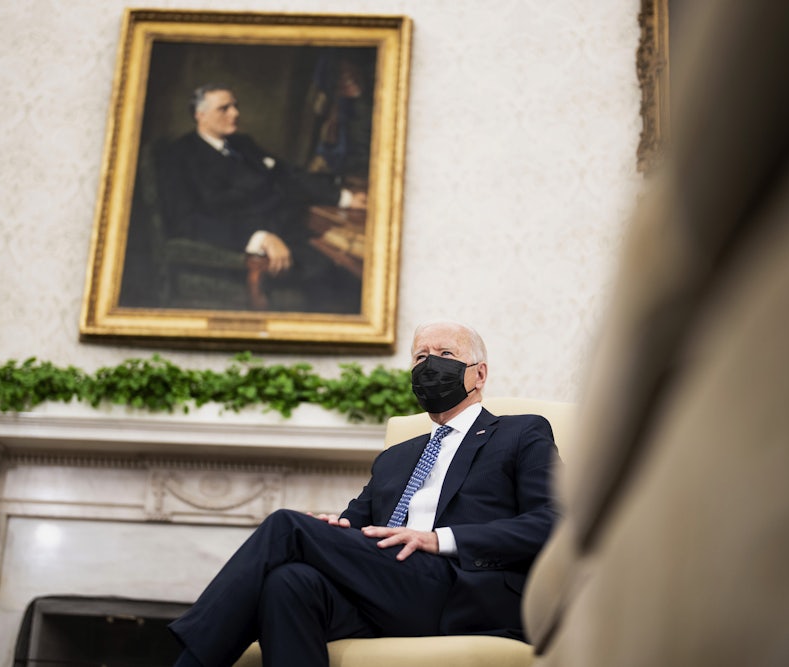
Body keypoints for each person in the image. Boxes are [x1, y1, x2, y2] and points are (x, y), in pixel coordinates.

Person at [169, 321, 562, 667]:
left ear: (479, 374)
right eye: (421, 356)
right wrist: (334, 527)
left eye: (445, 353)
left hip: (463, 589)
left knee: (286, 526)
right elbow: (355, 522)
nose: (431, 364)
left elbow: (551, 523)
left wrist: (437, 539)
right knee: (289, 582)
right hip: (387, 589)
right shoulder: (396, 457)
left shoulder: (520, 433)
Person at [156, 83, 366, 313]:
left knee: (349, 268)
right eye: (224, 109)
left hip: (289, 232)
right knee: (338, 280)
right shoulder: (179, 156)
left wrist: (343, 198)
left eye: (235, 106)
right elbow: (186, 221)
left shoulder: (242, 144)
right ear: (200, 115)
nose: (235, 113)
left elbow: (289, 175)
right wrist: (259, 237)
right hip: (242, 249)